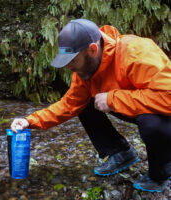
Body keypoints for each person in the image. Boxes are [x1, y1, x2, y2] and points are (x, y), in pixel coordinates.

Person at [10, 19, 171, 192]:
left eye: (73, 60)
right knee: (84, 104)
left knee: (150, 123)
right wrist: (29, 121)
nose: (68, 67)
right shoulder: (85, 70)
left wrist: (112, 99)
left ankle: (160, 173)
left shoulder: (136, 52)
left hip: (163, 112)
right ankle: (120, 152)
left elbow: (167, 97)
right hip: (135, 105)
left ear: (93, 50)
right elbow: (69, 104)